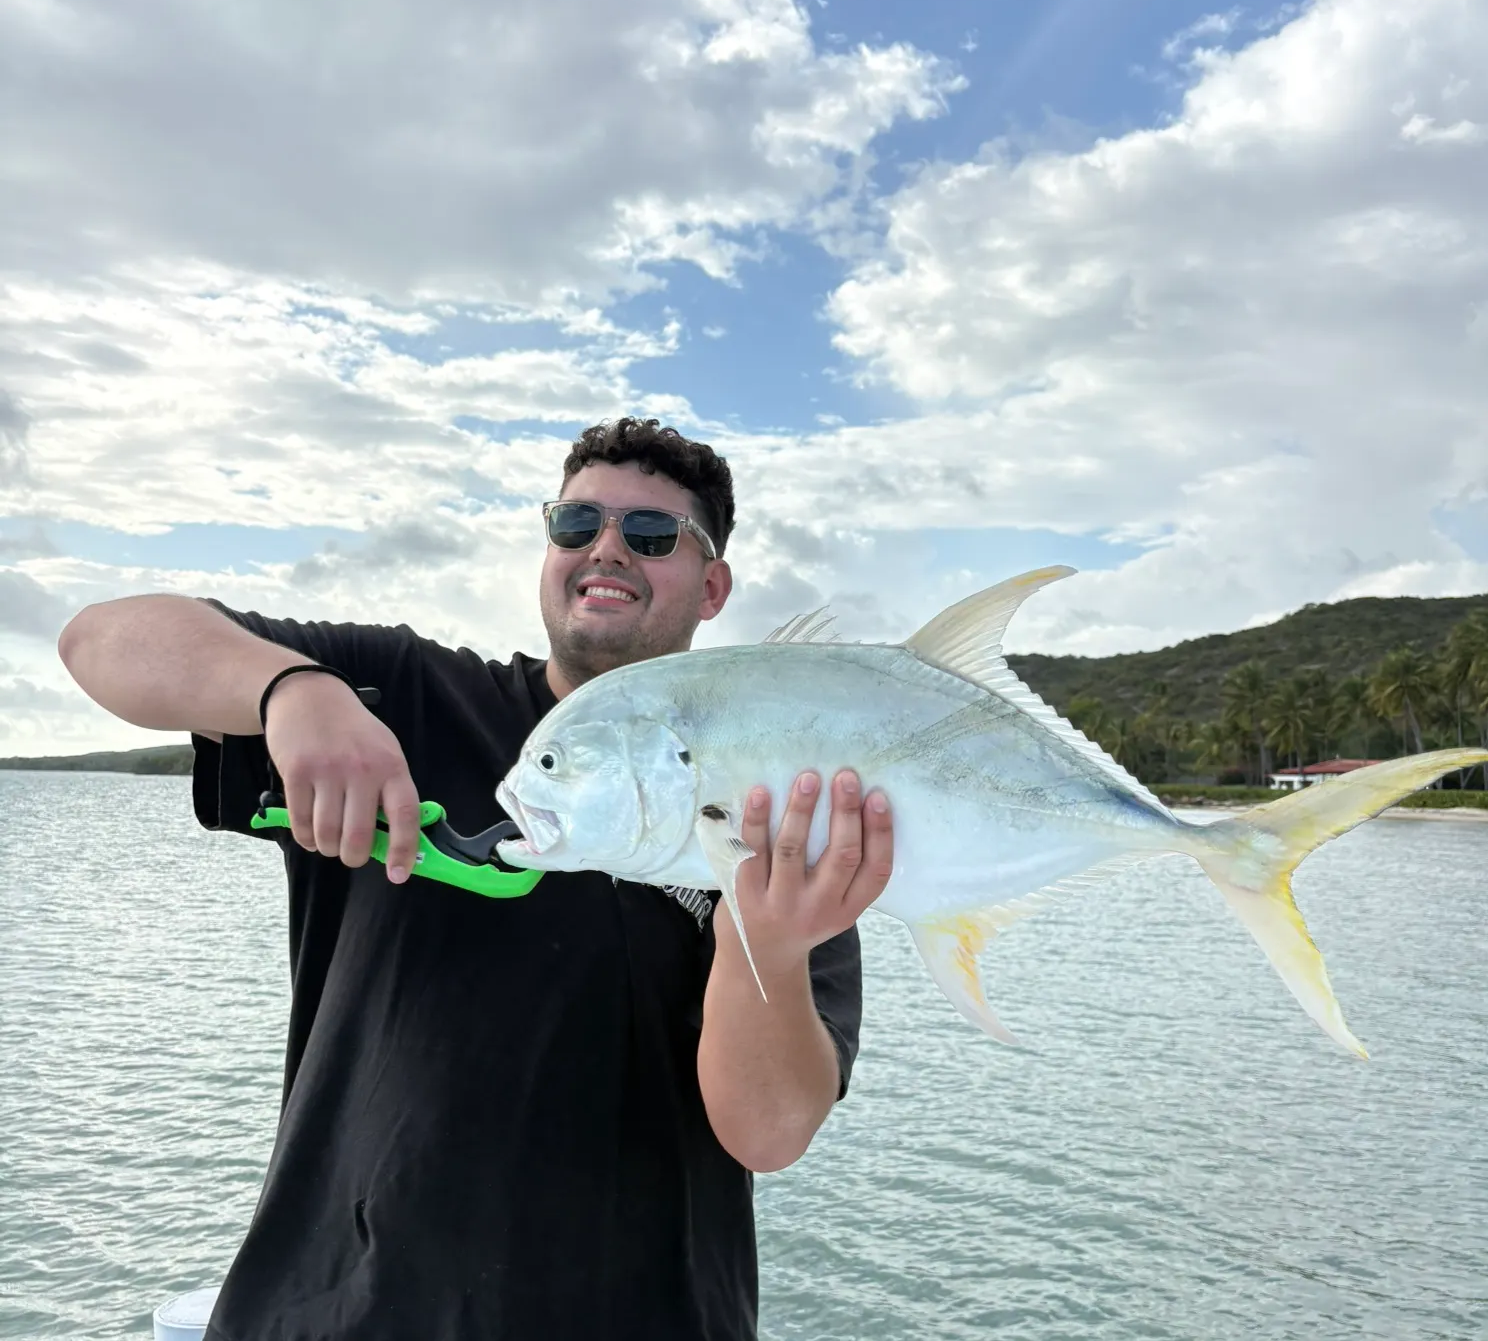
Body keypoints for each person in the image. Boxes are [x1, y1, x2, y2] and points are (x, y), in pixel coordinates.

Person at [58, 417, 894, 1341]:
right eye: (576, 525)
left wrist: (757, 935)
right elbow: (101, 640)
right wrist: (292, 690)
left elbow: (769, 1133)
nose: (605, 549)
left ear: (712, 586)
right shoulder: (408, 696)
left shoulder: (776, 810)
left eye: (652, 536)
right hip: (333, 1315)